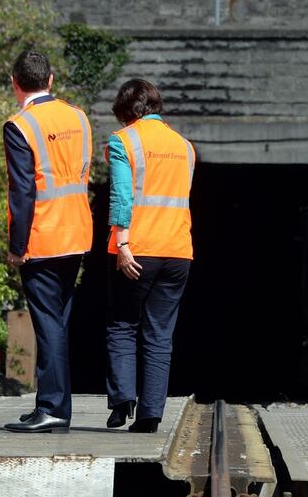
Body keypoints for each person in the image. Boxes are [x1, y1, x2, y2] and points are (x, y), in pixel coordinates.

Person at [2, 50, 93, 434]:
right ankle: (52, 404)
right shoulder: (78, 116)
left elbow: (22, 191)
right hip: (76, 233)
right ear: (51, 80)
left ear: (15, 84)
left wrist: (17, 246)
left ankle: (53, 406)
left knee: (48, 325)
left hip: (43, 237)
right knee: (58, 322)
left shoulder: (19, 125)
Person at [104, 79, 194, 433]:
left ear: (126, 111)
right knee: (160, 334)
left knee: (122, 324)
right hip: (178, 252)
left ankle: (123, 398)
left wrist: (122, 243)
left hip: (139, 249)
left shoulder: (123, 140)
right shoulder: (185, 147)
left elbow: (122, 197)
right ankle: (150, 414)